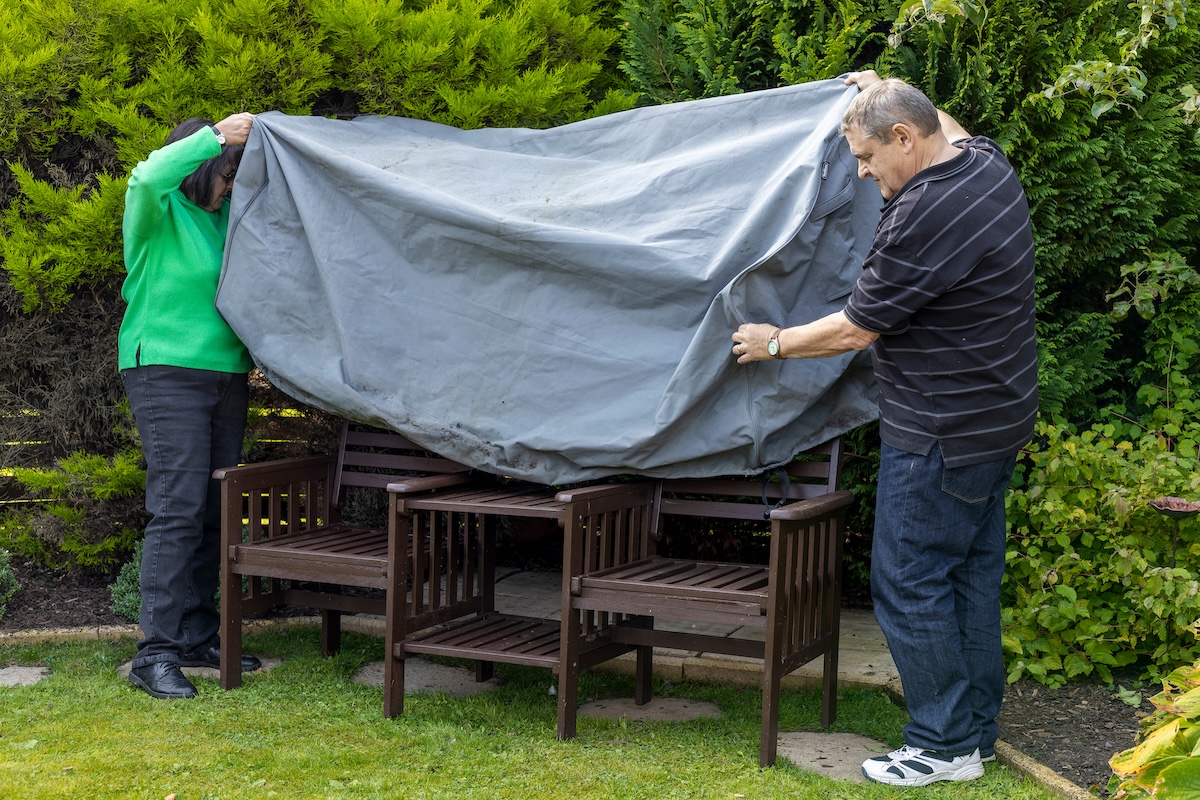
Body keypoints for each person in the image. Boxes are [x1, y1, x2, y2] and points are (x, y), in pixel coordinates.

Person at [732, 70, 1037, 786]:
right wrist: (891, 84)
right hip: (995, 423)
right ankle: (974, 737)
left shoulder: (922, 215)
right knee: (967, 580)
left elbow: (854, 329)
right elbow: (951, 127)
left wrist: (772, 342)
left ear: (904, 138)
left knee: (908, 581)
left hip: (939, 430)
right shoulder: (986, 168)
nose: (865, 176)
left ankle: (938, 746)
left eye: (868, 158)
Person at [119, 112, 263, 700]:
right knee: (177, 508)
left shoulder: (227, 218)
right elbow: (146, 177)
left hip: (226, 374)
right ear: (202, 166)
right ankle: (154, 654)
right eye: (225, 172)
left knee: (210, 509)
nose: (230, 183)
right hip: (165, 371)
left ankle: (197, 634)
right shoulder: (159, 211)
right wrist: (216, 137)